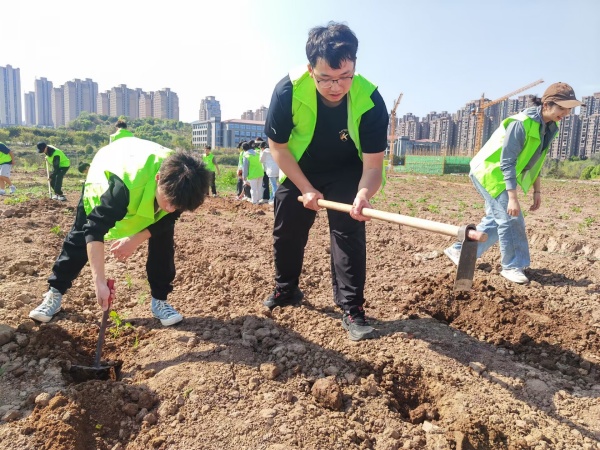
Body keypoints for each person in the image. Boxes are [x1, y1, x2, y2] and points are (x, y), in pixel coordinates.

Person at [263, 22, 388, 341]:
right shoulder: (288, 91)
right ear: (310, 69)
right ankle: (286, 289)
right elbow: (278, 148)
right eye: (326, 79)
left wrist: (363, 193)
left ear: (354, 65)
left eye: (345, 76)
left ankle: (351, 307)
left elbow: (373, 166)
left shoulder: (370, 99)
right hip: (300, 166)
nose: (337, 87)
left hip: (348, 170)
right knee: (286, 230)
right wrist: (305, 187)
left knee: (348, 233)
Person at [29, 137, 210, 327]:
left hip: (141, 173)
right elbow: (95, 229)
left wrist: (134, 239)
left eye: (178, 205)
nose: (172, 208)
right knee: (79, 239)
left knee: (163, 241)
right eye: (169, 201)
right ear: (158, 179)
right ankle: (55, 292)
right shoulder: (124, 188)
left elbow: (170, 216)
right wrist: (99, 282)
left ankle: (160, 301)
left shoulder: (185, 181)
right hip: (104, 181)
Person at [444, 82, 584, 284]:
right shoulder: (522, 123)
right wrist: (512, 197)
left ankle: (459, 251)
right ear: (546, 105)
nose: (566, 112)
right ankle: (512, 266)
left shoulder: (549, 126)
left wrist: (537, 191)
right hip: (489, 172)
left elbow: (536, 159)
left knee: (496, 218)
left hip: (500, 174)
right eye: (562, 108)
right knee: (511, 218)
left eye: (569, 108)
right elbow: (507, 161)